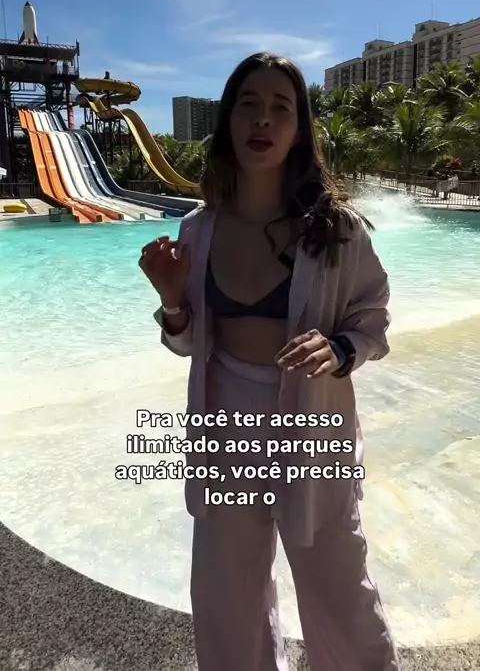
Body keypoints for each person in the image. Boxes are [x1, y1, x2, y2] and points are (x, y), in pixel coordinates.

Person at [139, 52, 400, 671]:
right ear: (228, 120)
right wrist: (172, 302)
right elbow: (190, 344)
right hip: (225, 422)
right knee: (227, 592)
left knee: (339, 588)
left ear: (299, 128)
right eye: (248, 104)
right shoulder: (198, 231)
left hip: (313, 423)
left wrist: (339, 350)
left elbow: (374, 319)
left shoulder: (336, 230)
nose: (263, 119)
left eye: (280, 107)